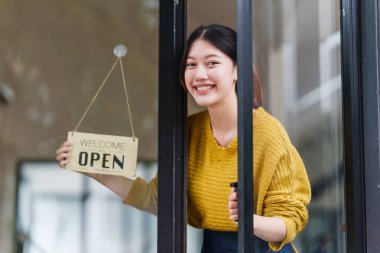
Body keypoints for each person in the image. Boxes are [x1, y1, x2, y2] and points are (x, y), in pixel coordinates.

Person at [56, 24, 311, 253]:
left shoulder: (267, 133)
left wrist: (248, 219)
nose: (199, 75)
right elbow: (157, 199)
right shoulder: (188, 131)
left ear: (237, 70)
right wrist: (91, 168)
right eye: (191, 65)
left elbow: (290, 221)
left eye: (212, 63)